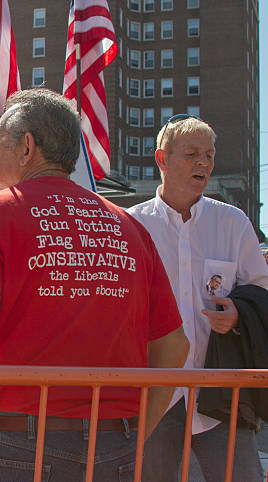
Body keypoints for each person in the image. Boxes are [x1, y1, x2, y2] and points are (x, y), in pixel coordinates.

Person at [0, 88, 189, 481]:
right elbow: (174, 345)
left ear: (27, 147)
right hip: (118, 443)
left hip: (23, 444)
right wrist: (138, 433)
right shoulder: (129, 227)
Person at [127, 114, 268, 481]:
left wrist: (238, 313)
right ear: (162, 159)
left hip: (221, 391)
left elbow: (262, 291)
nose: (203, 163)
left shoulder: (234, 223)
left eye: (209, 154)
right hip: (153, 392)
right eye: (191, 153)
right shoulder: (131, 226)